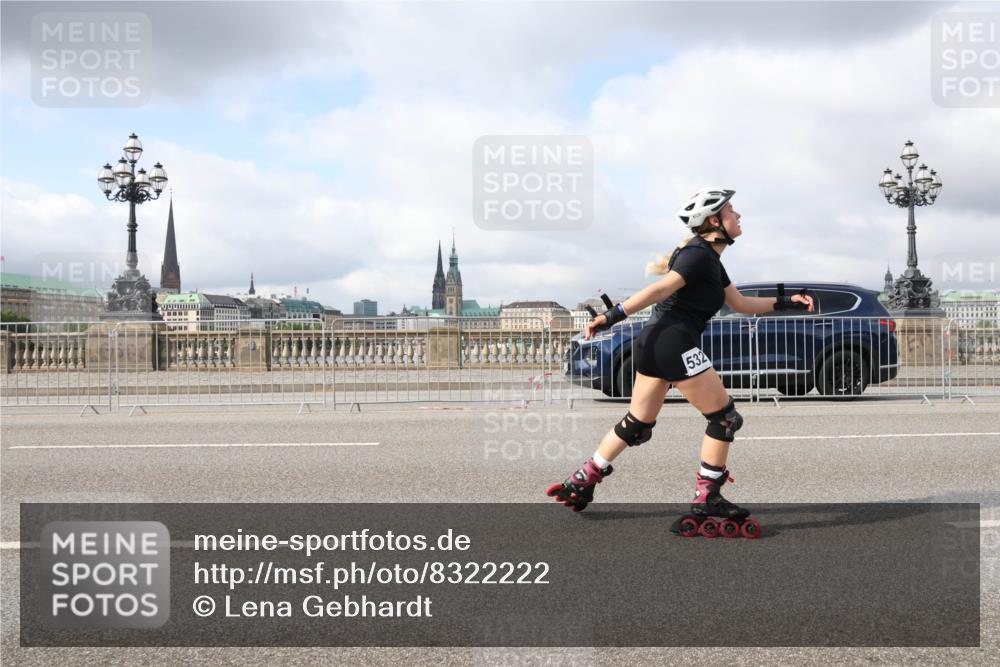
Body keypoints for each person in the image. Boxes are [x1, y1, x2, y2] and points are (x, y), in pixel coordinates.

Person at [546, 187, 814, 529]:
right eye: (732, 210)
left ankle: (583, 479)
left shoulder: (711, 261)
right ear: (714, 221)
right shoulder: (697, 255)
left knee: (637, 424)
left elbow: (742, 305)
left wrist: (788, 302)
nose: (739, 215)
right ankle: (708, 497)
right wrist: (612, 316)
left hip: (654, 342)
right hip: (673, 343)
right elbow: (662, 288)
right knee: (726, 419)